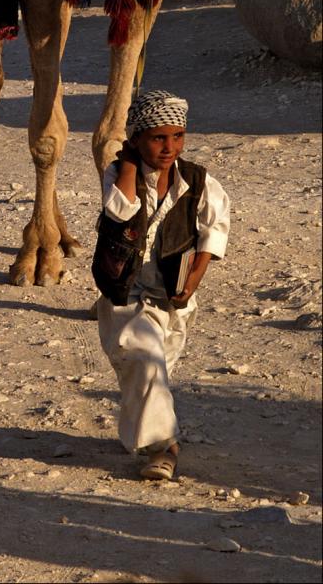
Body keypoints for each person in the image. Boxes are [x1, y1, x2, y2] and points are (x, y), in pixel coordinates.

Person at [93, 90, 229, 482]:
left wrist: (194, 279)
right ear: (136, 139)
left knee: (151, 372)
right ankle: (164, 448)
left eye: (177, 136)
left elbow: (214, 231)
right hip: (126, 293)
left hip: (172, 298)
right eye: (157, 138)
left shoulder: (197, 181)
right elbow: (120, 210)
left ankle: (138, 434)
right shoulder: (119, 175)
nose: (169, 147)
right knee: (144, 359)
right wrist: (129, 165)